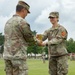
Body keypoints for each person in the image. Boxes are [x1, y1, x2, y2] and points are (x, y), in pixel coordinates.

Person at [3, 1, 36, 75]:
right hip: (18, 57)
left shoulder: (8, 22)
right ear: (23, 10)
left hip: (7, 56)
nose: (26, 14)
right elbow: (30, 39)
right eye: (27, 12)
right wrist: (38, 41)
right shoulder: (22, 22)